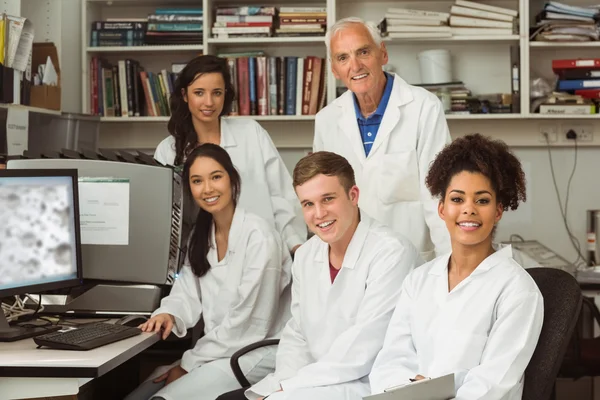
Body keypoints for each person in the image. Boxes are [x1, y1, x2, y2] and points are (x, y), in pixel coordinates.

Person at [218, 151, 422, 400]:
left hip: (367, 383)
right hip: (314, 381)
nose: (319, 213)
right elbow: (297, 334)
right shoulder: (306, 256)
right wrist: (283, 382)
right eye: (308, 204)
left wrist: (293, 387)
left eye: (327, 199)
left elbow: (364, 345)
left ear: (353, 195)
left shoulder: (391, 253)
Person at [368, 134, 544, 399]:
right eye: (457, 199)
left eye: (482, 200)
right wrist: (410, 389)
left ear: (498, 211)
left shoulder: (518, 291)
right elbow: (390, 360)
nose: (469, 210)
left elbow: (493, 383)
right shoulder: (419, 281)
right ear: (441, 209)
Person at [124, 143, 293, 400]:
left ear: (232, 179)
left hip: (254, 352)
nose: (208, 189)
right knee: (139, 395)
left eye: (216, 177)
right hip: (217, 351)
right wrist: (169, 313)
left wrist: (188, 364)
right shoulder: (201, 236)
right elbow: (186, 292)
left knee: (160, 399)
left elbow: (247, 325)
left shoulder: (260, 237)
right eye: (197, 181)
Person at [313, 16, 451, 262]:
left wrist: (449, 265)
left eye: (363, 52)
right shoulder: (326, 120)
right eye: (343, 58)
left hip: (413, 262)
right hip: (352, 261)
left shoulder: (424, 108)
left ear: (383, 54)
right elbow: (321, 201)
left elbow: (439, 195)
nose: (355, 66)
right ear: (334, 69)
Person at [154, 54, 306, 254]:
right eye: (199, 93)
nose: (209, 102)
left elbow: (281, 197)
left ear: (225, 94)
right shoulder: (168, 151)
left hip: (262, 254)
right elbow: (164, 218)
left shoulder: (251, 132)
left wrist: (296, 246)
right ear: (184, 95)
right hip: (200, 261)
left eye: (216, 93)